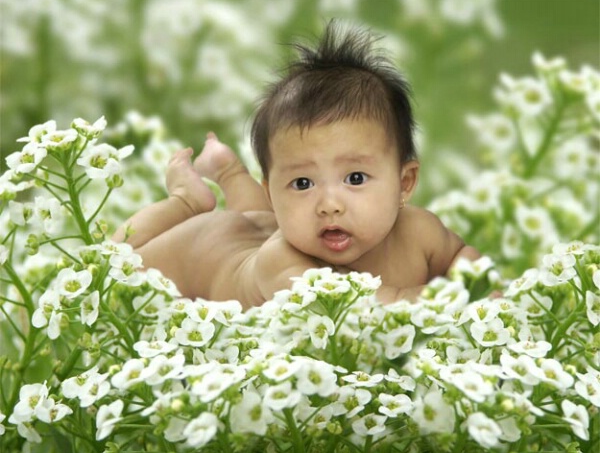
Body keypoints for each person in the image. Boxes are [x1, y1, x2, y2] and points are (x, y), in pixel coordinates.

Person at [113, 20, 480, 309]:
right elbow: (370, 308)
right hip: (200, 250)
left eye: (355, 178)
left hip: (260, 226)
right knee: (117, 261)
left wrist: (480, 286)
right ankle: (187, 200)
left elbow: (466, 259)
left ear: (404, 183)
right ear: (271, 191)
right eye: (303, 183)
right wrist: (453, 299)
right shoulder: (282, 265)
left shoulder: (421, 231)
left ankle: (228, 172)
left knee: (262, 220)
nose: (330, 203)